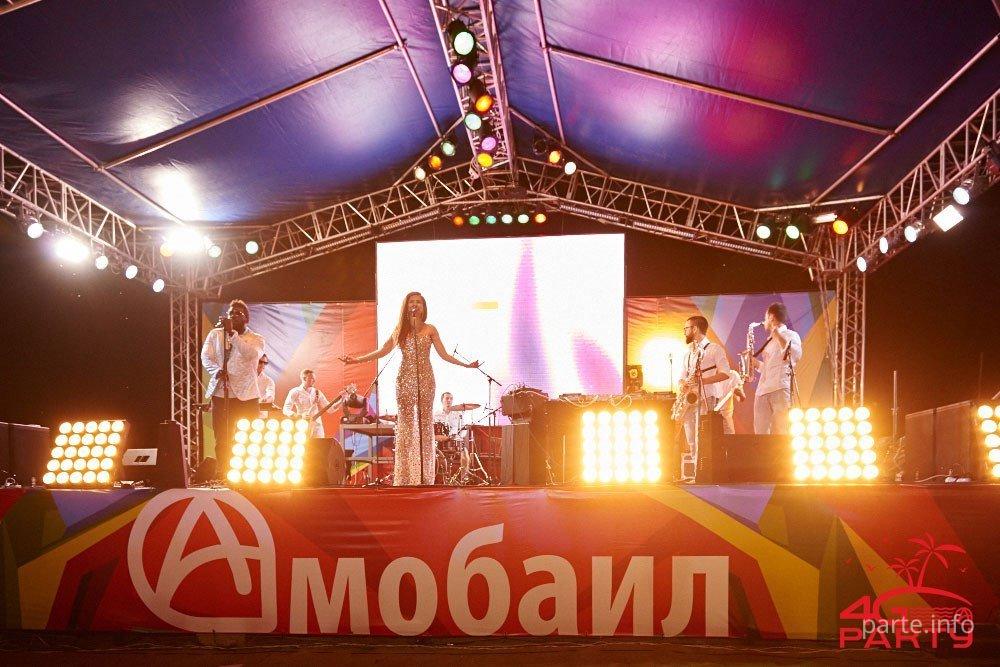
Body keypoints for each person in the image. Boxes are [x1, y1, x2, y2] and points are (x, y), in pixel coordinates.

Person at [341, 292, 481, 485]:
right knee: (406, 425)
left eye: (419, 302)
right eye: (412, 302)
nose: (415, 305)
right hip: (405, 379)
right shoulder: (401, 329)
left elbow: (444, 355)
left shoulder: (430, 329)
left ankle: (424, 475)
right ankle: (406, 476)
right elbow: (383, 351)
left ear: (423, 307)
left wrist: (466, 365)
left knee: (424, 424)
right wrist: (356, 360)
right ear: (406, 307)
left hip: (426, 379)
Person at [200, 299, 265, 468]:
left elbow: (251, 354)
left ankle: (249, 472)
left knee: (250, 437)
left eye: (238, 313)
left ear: (246, 319)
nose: (234, 316)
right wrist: (216, 370)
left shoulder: (256, 338)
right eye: (231, 313)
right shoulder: (215, 334)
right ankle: (223, 472)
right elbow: (205, 356)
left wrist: (232, 335)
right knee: (222, 437)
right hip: (221, 394)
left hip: (247, 396)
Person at [678, 316, 732, 473]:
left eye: (686, 328)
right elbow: (682, 376)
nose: (684, 332)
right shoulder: (688, 353)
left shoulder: (714, 349)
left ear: (695, 329)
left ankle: (704, 471)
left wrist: (702, 381)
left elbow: (725, 373)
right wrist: (682, 384)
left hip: (706, 397)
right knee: (691, 438)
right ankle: (696, 472)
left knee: (702, 436)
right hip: (689, 399)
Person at [751, 302, 803, 435]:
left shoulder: (791, 335)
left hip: (779, 388)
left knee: (782, 431)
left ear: (771, 317)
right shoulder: (769, 340)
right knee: (760, 433)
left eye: (766, 317)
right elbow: (769, 367)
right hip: (762, 391)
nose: (764, 321)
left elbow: (794, 355)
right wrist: (755, 363)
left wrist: (779, 336)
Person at [283, 369, 333, 438]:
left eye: (314, 378)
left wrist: (341, 400)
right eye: (312, 378)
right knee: (304, 444)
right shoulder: (295, 391)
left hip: (317, 426)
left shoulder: (317, 392)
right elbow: (286, 409)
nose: (314, 381)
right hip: (302, 425)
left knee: (320, 444)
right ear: (304, 379)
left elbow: (330, 409)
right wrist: (299, 416)